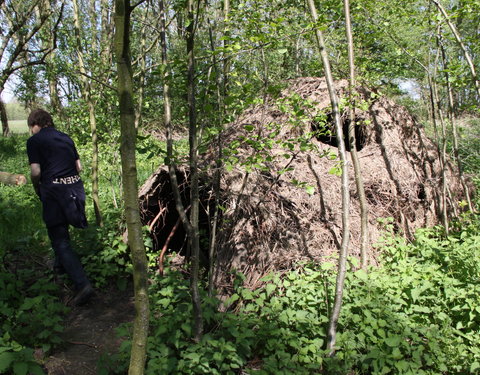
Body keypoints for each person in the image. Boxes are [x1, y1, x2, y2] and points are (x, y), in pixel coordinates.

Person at [26, 109, 94, 306]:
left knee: (60, 239)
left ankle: (82, 284)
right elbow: (79, 167)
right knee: (62, 236)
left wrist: (37, 187)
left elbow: (36, 171)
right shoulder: (65, 138)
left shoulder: (34, 141)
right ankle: (59, 267)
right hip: (74, 191)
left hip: (54, 193)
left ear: (34, 125)